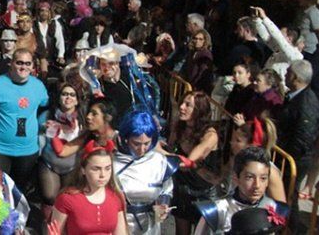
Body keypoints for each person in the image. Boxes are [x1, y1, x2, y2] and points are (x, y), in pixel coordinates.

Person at [0, 48, 48, 193]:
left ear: (32, 66)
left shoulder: (38, 86)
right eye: (19, 63)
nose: (23, 67)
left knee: (19, 192)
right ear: (11, 63)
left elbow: (45, 109)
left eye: (28, 63)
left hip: (27, 150)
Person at [193, 147, 290, 234]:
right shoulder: (218, 211)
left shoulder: (273, 208)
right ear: (236, 178)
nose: (257, 185)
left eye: (263, 178)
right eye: (249, 177)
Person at [114, 110, 177, 235]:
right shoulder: (111, 162)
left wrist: (164, 205)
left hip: (150, 226)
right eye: (136, 143)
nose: (142, 149)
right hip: (120, 224)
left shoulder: (160, 162)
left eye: (146, 143)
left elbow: (166, 190)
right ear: (126, 138)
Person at [167, 91, 220, 235]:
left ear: (199, 111)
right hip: (182, 188)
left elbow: (188, 162)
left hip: (204, 193)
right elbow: (170, 148)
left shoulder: (210, 135)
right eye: (182, 103)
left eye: (187, 105)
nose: (182, 107)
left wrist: (160, 151)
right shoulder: (180, 127)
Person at [48, 139, 128, 234]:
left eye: (107, 168)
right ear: (83, 170)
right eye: (96, 169)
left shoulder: (116, 197)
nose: (103, 174)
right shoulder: (67, 199)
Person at [37, 83, 83, 223]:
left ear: (77, 100)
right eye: (64, 94)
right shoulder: (46, 116)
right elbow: (38, 139)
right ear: (59, 98)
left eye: (72, 95)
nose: (68, 98)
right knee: (50, 196)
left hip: (72, 166)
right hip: (50, 163)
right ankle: (49, 227)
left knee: (67, 200)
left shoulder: (83, 119)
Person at [276, 59, 319, 188]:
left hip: (292, 161)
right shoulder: (294, 96)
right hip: (282, 155)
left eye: (288, 72)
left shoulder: (306, 103)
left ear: (295, 77)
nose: (284, 75)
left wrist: (285, 158)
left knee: (288, 196)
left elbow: (303, 138)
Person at [181, 29, 214, 94]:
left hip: (199, 89)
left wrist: (193, 88)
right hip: (188, 86)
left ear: (205, 41)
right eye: (195, 38)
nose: (197, 41)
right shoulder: (191, 52)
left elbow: (202, 74)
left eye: (200, 39)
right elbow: (186, 67)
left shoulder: (206, 54)